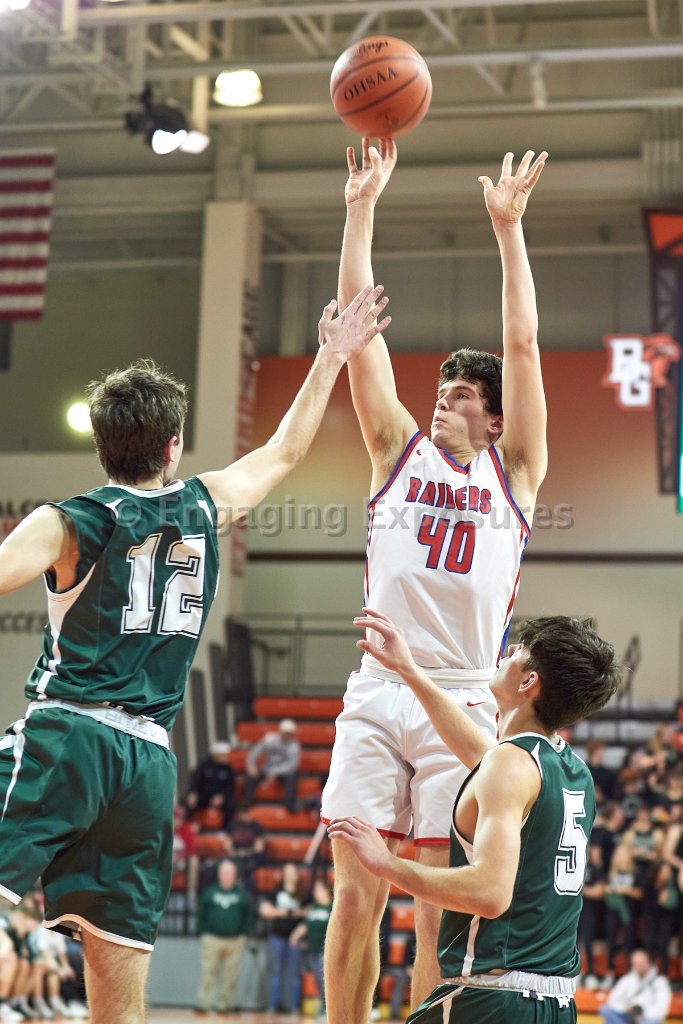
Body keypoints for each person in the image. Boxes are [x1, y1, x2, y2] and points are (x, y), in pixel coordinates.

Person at [0, 283, 391, 1024]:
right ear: (173, 446)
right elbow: (285, 449)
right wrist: (331, 357)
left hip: (70, 736)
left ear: (100, 444)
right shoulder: (207, 505)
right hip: (149, 762)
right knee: (117, 965)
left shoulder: (69, 520)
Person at [321, 140, 550, 1021]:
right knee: (355, 893)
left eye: (459, 396)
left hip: (460, 697)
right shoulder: (395, 450)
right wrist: (359, 207)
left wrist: (507, 230)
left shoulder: (514, 473)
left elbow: (522, 343)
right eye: (440, 390)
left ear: (492, 419)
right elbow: (357, 333)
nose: (441, 401)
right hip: (378, 690)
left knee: (431, 911)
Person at [328, 606, 620, 1022]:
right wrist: (410, 671)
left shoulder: (509, 765)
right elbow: (481, 755)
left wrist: (387, 864)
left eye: (520, 650)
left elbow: (489, 893)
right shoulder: (569, 769)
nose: (509, 652)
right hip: (555, 1003)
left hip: (493, 998)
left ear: (529, 681)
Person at [195, 859, 252, 1014]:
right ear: (219, 874)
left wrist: (244, 933)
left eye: (230, 873)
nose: (227, 876)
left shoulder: (242, 894)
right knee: (208, 972)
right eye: (225, 872)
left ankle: (224, 1004)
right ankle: (203, 1003)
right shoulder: (209, 893)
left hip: (235, 940)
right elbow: (201, 914)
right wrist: (202, 932)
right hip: (212, 938)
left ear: (235, 875)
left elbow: (248, 915)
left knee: (229, 975)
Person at [259, 862, 306, 1015]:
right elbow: (265, 910)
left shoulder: (303, 892)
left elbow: (309, 912)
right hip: (277, 936)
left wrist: (283, 912)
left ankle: (294, 1007)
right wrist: (289, 913)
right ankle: (272, 1006)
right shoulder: (277, 891)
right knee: (275, 972)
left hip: (295, 939)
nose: (290, 875)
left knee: (294, 973)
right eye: (288, 872)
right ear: (283, 874)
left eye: (293, 872)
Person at [289, 878, 332, 1020]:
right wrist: (295, 935)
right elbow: (305, 925)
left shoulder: (331, 908)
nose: (315, 892)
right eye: (315, 890)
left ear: (326, 891)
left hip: (325, 951)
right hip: (312, 949)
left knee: (324, 980)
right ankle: (324, 1007)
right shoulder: (313, 908)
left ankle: (328, 1009)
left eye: (318, 889)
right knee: (318, 980)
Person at [599, 949, 671, 1024]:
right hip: (627, 1016)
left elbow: (662, 1008)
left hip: (647, 1018)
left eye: (641, 963)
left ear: (649, 963)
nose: (639, 966)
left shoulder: (660, 982)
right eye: (636, 963)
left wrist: (641, 1012)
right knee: (606, 1009)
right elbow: (613, 1001)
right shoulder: (626, 980)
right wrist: (627, 1009)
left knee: (652, 1021)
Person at [245, 718, 301, 814]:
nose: (287, 735)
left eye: (289, 733)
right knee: (250, 776)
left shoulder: (294, 746)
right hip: (267, 769)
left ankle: (289, 804)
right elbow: (255, 752)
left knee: (291, 777)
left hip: (283, 772)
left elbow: (292, 765)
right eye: (285, 733)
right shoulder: (269, 739)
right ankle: (249, 801)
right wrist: (251, 766)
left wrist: (275, 772)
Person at [185, 741, 237, 829]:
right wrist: (193, 792)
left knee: (230, 805)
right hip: (203, 795)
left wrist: (222, 796)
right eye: (222, 755)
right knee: (187, 803)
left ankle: (225, 829)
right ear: (215, 755)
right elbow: (196, 780)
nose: (225, 757)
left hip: (220, 796)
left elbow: (230, 786)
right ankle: (188, 828)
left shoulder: (228, 768)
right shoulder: (204, 766)